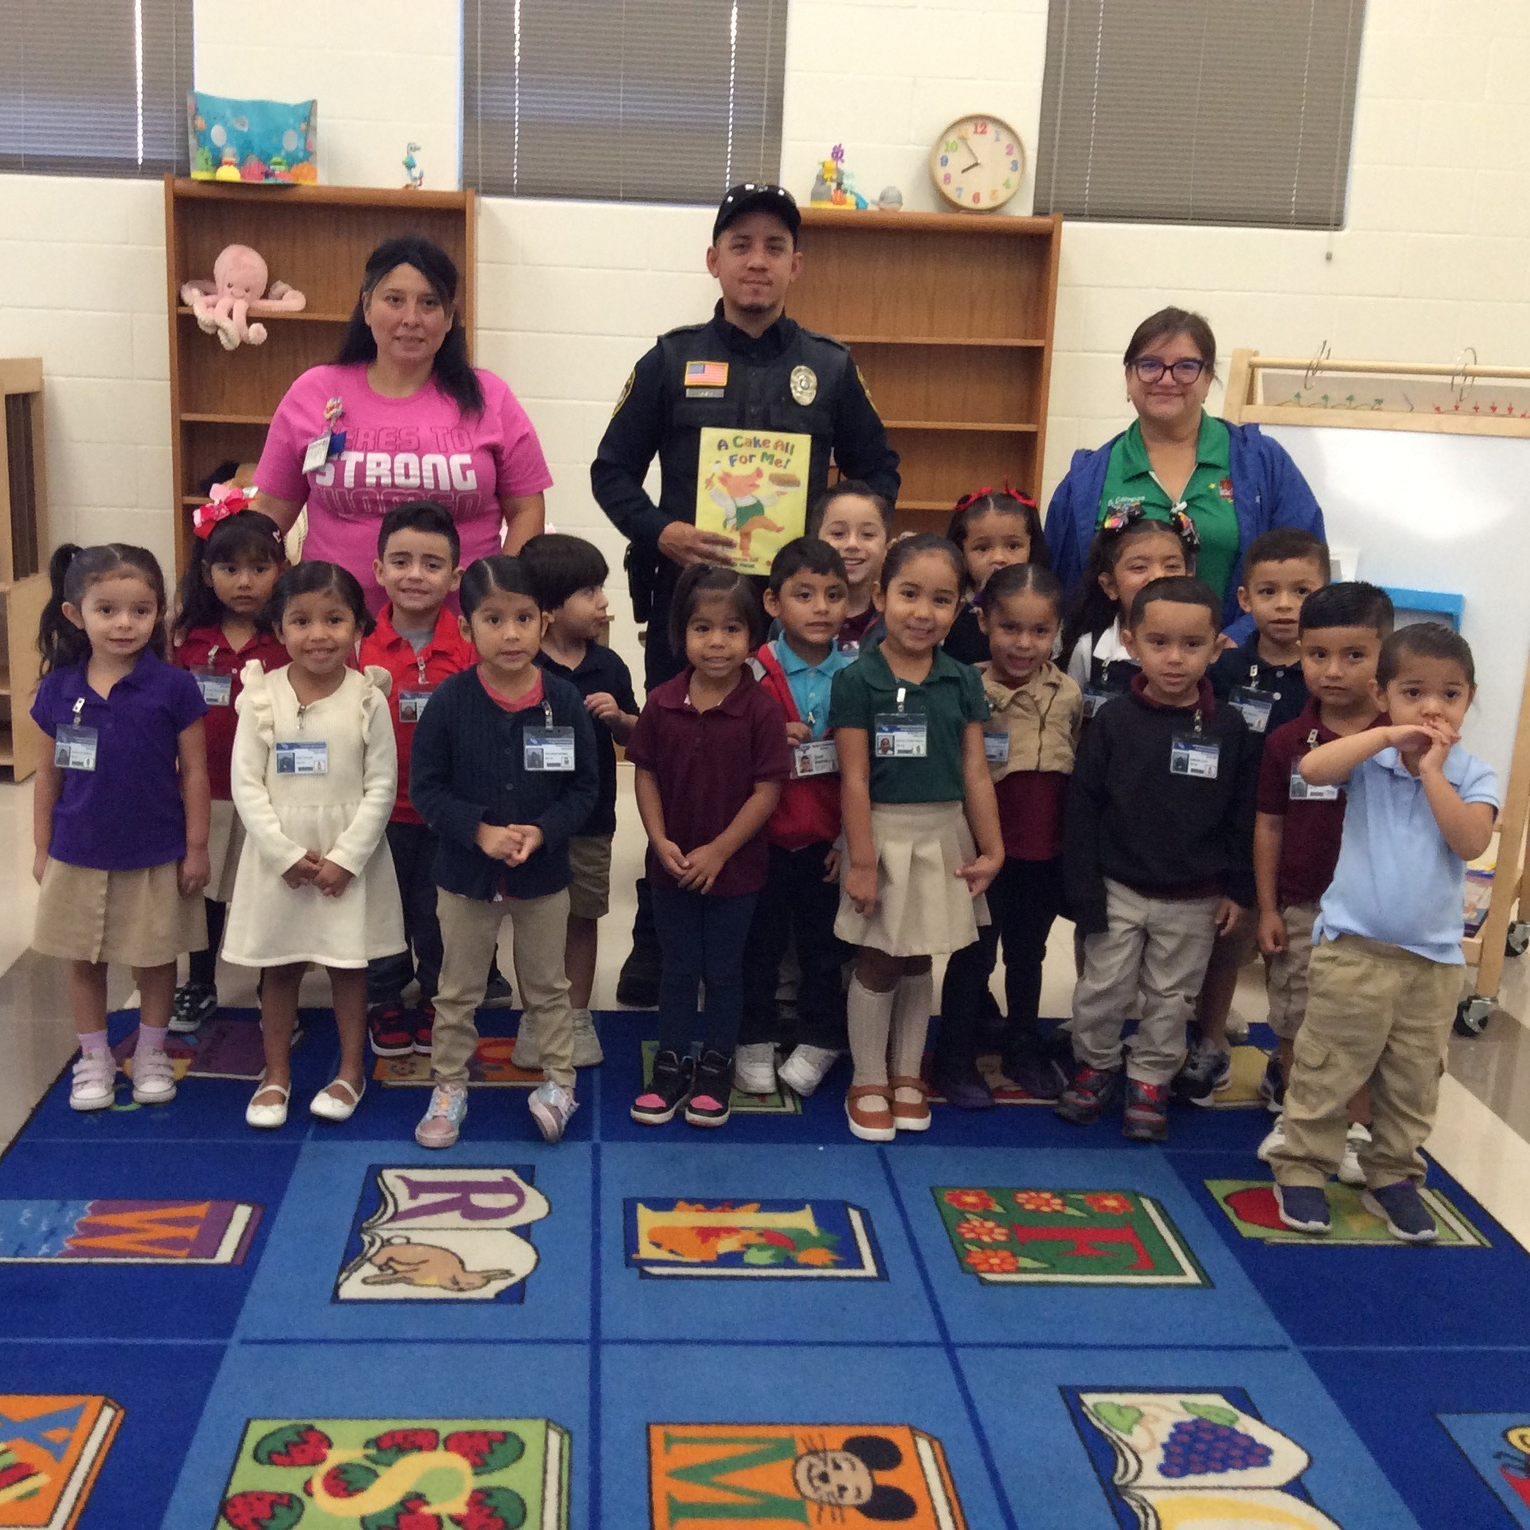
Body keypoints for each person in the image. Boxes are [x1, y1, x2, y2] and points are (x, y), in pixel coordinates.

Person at [592, 183, 899, 1006]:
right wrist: (661, 531)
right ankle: (658, 937)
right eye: (740, 245)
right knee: (682, 759)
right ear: (714, 260)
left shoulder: (830, 367)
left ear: (797, 264)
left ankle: (783, 946)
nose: (756, 261)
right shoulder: (669, 357)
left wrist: (840, 540)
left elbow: (881, 471)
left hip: (802, 621)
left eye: (773, 247)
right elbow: (609, 471)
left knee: (791, 767)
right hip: (693, 608)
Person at [1269, 624, 1498, 1242]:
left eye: (1450, 695)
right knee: (1328, 1065)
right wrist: (1385, 738)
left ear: (1469, 700)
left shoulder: (1474, 774)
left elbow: (1472, 841)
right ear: (1383, 694)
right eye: (1414, 692)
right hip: (1354, 950)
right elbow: (1314, 766)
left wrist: (1431, 773)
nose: (1432, 706)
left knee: (1413, 1079)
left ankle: (1393, 1174)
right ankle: (1303, 1165)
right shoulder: (1369, 759)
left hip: (1433, 962)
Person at [1057, 576, 1259, 1143]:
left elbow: (1245, 817)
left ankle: (1150, 1078)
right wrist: (1083, 888)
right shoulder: (1114, 722)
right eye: (1159, 642)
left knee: (1173, 996)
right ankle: (1096, 1064)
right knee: (1102, 987)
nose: (1174, 658)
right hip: (1117, 886)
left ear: (1217, 647)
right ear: (1131, 643)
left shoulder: (1230, 728)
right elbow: (1083, 808)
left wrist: (1238, 890)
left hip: (1194, 895)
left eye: (1192, 645)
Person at [408, 556, 599, 1148]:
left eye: (523, 618)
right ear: (466, 630)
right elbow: (426, 790)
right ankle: (449, 1085)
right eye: (493, 619)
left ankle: (559, 1082)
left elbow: (585, 788)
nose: (510, 634)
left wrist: (543, 830)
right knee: (457, 987)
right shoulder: (448, 703)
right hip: (466, 874)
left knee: (548, 987)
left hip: (543, 873)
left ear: (544, 623)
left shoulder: (564, 702)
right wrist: (479, 831)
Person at [253, 235, 551, 611]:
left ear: (449, 318)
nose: (411, 319)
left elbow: (527, 510)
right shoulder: (313, 392)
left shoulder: (491, 397)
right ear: (366, 306)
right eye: (394, 300)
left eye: (429, 303)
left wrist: (499, 604)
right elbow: (270, 516)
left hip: (462, 635)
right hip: (331, 634)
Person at [830, 535, 1004, 1142]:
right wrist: (860, 860)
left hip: (943, 833)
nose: (922, 612)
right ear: (879, 596)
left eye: (941, 599)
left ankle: (908, 1073)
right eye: (908, 594)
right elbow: (852, 779)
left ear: (961, 609)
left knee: (922, 952)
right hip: (881, 833)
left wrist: (992, 847)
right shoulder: (858, 680)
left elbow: (977, 772)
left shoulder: (961, 680)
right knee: (879, 955)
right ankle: (868, 1078)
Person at [224, 563, 405, 1129]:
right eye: (300, 621)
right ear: (278, 628)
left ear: (358, 626)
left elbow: (382, 785)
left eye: (334, 619)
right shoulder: (260, 695)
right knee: (279, 970)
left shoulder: (367, 697)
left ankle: (350, 1071)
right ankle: (275, 1074)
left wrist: (347, 859)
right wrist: (283, 855)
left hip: (348, 855)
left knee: (349, 969)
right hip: (280, 858)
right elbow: (245, 784)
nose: (318, 633)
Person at [31, 544, 211, 1112]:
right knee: (83, 959)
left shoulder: (175, 687)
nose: (125, 623)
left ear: (160, 613)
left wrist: (197, 847)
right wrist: (42, 847)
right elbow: (47, 777)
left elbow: (197, 773)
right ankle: (93, 1056)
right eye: (106, 609)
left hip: (156, 850)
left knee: (155, 957)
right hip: (78, 850)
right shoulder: (58, 691)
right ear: (74, 614)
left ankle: (152, 1050)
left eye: (141, 609)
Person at [626, 566, 791, 1129]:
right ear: (681, 633)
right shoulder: (662, 702)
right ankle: (670, 1063)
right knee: (676, 967)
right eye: (702, 628)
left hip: (736, 871)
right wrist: (658, 839)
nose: (717, 642)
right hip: (669, 866)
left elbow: (768, 790)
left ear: (754, 636)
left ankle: (716, 1064)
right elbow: (643, 772)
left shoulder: (762, 710)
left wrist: (720, 849)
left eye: (731, 629)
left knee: (723, 971)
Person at [1043, 306, 1324, 632]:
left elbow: (1308, 575)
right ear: (1129, 377)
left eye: (1186, 367)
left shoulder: (1262, 464)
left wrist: (1238, 642)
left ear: (1208, 380)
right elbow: (1059, 592)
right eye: (1150, 365)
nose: (1166, 379)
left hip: (1235, 666)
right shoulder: (1087, 479)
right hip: (1115, 670)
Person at [1177, 525, 1330, 1101]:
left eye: (1302, 591)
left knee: (1294, 962)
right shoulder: (1223, 672)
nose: (1285, 605)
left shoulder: (1326, 676)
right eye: (1269, 592)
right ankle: (1210, 1045)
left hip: (1303, 838)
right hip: (1233, 834)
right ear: (1245, 600)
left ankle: (1288, 1062)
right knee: (1228, 947)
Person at [1253, 582, 1393, 1177]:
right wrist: (1267, 907)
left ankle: (1355, 1126)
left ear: (1386, 654)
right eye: (1318, 655)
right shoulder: (1287, 741)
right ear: (1301, 653)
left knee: (1359, 1025)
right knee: (1295, 1017)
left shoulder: (1401, 741)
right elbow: (1269, 827)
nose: (1333, 671)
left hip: (1375, 914)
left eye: (1355, 655)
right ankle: (1298, 1111)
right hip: (1303, 905)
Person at [934, 563, 1082, 1107]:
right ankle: (953, 1058)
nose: (1023, 644)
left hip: (1042, 853)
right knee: (973, 955)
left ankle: (1024, 1046)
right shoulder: (962, 687)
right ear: (983, 622)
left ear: (1057, 631)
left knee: (1029, 953)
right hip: (981, 851)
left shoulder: (1067, 693)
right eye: (1009, 628)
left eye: (1039, 631)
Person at [357, 501, 476, 1060]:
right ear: (378, 570)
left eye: (432, 564)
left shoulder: (474, 646)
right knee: (380, 911)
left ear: (455, 577)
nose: (414, 575)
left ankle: (435, 996)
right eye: (400, 561)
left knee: (438, 914)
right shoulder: (355, 647)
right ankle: (383, 997)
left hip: (447, 814)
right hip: (375, 814)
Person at [737, 538, 855, 1099]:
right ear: (771, 602)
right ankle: (752, 1035)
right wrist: (761, 739)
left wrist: (848, 840)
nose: (821, 607)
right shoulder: (748, 671)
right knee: (758, 944)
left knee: (822, 946)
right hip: (760, 838)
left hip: (826, 840)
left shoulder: (859, 676)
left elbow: (870, 771)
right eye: (803, 594)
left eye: (834, 595)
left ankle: (823, 1035)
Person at [517, 532, 639, 1069]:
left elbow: (639, 737)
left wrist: (619, 719)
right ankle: (535, 1016)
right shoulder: (518, 665)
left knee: (582, 915)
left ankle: (577, 1014)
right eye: (589, 591)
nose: (604, 602)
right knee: (532, 918)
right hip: (529, 820)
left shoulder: (609, 665)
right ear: (547, 608)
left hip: (591, 820)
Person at [169, 503, 288, 1032]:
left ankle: (272, 986)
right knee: (204, 892)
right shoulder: (186, 639)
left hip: (272, 790)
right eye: (230, 569)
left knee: (263, 890)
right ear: (206, 574)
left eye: (260, 569)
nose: (245, 582)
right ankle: (199, 980)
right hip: (206, 789)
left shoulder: (289, 636)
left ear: (280, 572)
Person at [1060, 508, 1200, 718]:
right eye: (1139, 567)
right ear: (1110, 586)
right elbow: (1070, 724)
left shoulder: (1200, 649)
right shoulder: (1088, 649)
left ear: (1189, 577)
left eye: (1171, 566)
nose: (1157, 577)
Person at [941, 486, 1048, 665]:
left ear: (1031, 546)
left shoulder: (1046, 604)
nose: (999, 558)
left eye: (1013, 546)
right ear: (961, 550)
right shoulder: (950, 607)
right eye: (982, 548)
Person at [811, 481, 892, 656]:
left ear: (887, 547)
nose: (852, 544)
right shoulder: (791, 615)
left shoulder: (898, 619)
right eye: (838, 533)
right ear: (815, 541)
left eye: (868, 534)